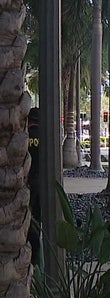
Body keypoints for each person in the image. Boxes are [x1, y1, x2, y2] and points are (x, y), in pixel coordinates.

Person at [26, 107, 40, 264]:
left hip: (26, 181)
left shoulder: (24, 135)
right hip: (40, 180)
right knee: (38, 215)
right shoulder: (46, 135)